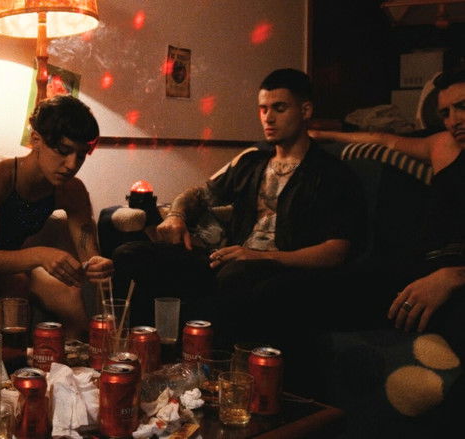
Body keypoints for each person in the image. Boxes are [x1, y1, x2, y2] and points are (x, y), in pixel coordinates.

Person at [113, 69, 365, 374]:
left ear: (306, 110)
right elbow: (198, 194)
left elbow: (336, 251)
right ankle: (142, 363)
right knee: (130, 254)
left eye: (279, 108)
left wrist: (261, 256)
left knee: (236, 278)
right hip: (230, 260)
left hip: (280, 269)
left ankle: (211, 376)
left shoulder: (331, 174)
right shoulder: (252, 160)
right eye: (263, 109)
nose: (268, 118)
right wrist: (177, 215)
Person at [310, 67, 465, 434]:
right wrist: (323, 134)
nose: (453, 120)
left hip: (455, 285)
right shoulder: (443, 145)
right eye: (445, 113)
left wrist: (453, 276)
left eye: (462, 107)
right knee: (291, 294)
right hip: (410, 271)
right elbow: (383, 139)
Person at [0, 95, 113, 337]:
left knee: (72, 299)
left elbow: (89, 255)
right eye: (63, 151)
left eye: (81, 155)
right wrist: (41, 255)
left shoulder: (72, 190)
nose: (72, 165)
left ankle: (63, 360)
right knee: (17, 283)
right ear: (36, 140)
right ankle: (1, 357)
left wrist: (97, 265)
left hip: (14, 266)